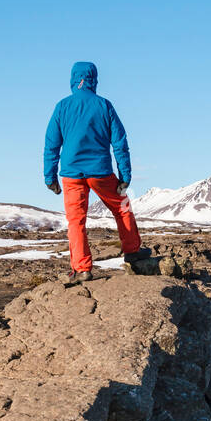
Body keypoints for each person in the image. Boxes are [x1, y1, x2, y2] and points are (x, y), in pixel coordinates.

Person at [43, 61, 150, 282]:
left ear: (73, 79)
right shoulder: (104, 106)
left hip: (71, 175)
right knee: (122, 208)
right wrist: (125, 176)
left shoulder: (62, 106)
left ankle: (82, 269)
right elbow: (120, 142)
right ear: (94, 79)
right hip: (101, 173)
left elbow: (51, 145)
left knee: (76, 222)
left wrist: (49, 177)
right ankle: (132, 253)